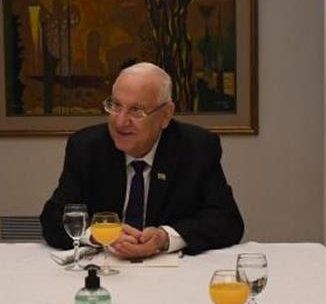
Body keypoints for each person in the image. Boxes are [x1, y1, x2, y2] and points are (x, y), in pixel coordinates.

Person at [40, 62, 244, 258]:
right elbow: (53, 219)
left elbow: (227, 221)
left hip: (171, 277)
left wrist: (165, 237)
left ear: (165, 115)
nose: (120, 121)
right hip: (106, 270)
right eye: (115, 106)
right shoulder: (86, 147)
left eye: (136, 110)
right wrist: (98, 234)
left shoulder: (196, 148)